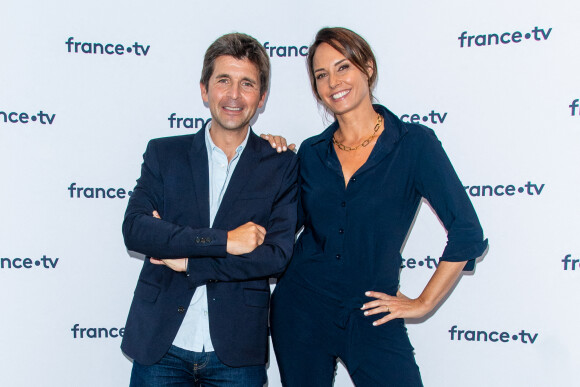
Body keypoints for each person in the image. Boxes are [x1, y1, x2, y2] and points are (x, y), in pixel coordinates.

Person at [267, 27, 488, 386]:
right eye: (321, 75)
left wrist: (423, 303)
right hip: (300, 309)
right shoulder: (311, 152)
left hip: (373, 311)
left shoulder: (414, 144)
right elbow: (280, 230)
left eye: (343, 67)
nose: (333, 81)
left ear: (367, 67)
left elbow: (467, 232)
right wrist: (265, 160)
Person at [121, 32, 298, 386]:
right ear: (204, 90)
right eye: (223, 81)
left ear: (262, 98)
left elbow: (275, 256)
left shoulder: (280, 165)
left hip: (236, 350)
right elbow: (137, 230)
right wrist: (224, 241)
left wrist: (188, 260)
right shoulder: (164, 154)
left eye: (247, 84)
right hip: (161, 344)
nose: (234, 95)